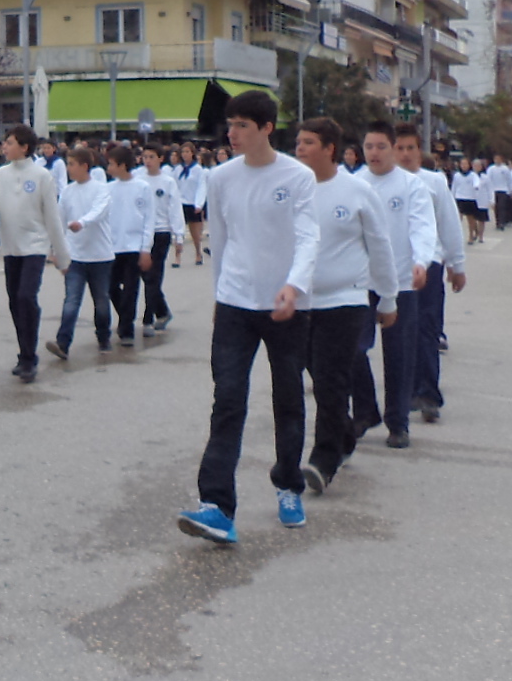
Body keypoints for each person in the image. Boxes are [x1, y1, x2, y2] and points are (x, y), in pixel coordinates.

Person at [176, 91, 319, 545]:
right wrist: (220, 293)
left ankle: (288, 483)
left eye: (241, 126)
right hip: (236, 303)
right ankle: (216, 505)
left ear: (266, 129)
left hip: (286, 307)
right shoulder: (219, 177)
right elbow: (223, 236)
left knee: (287, 399)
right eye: (230, 124)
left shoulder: (297, 177)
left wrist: (294, 285)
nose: (231, 134)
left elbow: (308, 236)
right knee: (229, 399)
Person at [292, 118, 398, 496]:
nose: (299, 149)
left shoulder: (356, 191)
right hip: (302, 302)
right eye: (298, 142)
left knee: (330, 380)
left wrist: (387, 298)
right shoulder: (292, 190)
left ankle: (323, 459)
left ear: (329, 148)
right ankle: (345, 437)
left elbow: (380, 247)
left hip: (346, 300)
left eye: (307, 142)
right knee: (317, 376)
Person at [357, 122, 436, 450]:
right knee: (352, 349)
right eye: (369, 146)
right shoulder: (354, 183)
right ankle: (363, 411)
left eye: (381, 147)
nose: (374, 153)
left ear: (392, 148)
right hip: (359, 282)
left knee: (399, 355)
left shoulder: (411, 186)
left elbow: (422, 226)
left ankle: (398, 421)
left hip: (401, 281)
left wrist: (422, 260)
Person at [395, 125, 465, 423]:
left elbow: (449, 223)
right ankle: (403, 392)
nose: (406, 154)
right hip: (395, 266)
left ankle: (428, 394)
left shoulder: (434, 182)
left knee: (426, 329)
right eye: (400, 148)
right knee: (398, 332)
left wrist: (456, 264)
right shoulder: (379, 182)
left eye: (411, 148)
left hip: (430, 262)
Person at [0, 124, 68, 383]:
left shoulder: (42, 176)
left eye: (10, 142)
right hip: (11, 248)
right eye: (4, 142)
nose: (5, 147)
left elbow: (53, 217)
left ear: (25, 147)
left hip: (35, 247)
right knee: (15, 301)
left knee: (26, 296)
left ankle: (29, 357)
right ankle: (24, 352)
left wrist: (61, 254)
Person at [49, 146, 114, 358]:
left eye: (72, 164)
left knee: (101, 301)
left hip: (100, 256)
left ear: (84, 166)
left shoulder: (100, 189)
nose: (68, 168)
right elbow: (58, 220)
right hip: (75, 256)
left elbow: (99, 211)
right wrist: (56, 250)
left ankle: (104, 337)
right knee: (71, 301)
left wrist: (82, 222)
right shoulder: (67, 191)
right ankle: (63, 344)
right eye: (68, 164)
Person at [103, 146, 152, 348]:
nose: (108, 167)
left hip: (134, 245)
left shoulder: (142, 187)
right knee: (110, 286)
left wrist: (145, 248)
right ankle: (125, 316)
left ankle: (127, 328)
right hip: (113, 246)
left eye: (111, 164)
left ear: (122, 165)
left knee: (131, 288)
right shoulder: (108, 188)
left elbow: (148, 219)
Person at [138, 144, 187, 334]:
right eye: (145, 157)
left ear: (160, 158)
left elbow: (174, 209)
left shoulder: (168, 182)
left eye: (151, 156)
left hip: (161, 232)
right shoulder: (138, 179)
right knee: (145, 275)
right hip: (142, 233)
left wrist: (179, 235)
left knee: (153, 276)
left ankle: (148, 319)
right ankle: (163, 311)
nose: (147, 160)